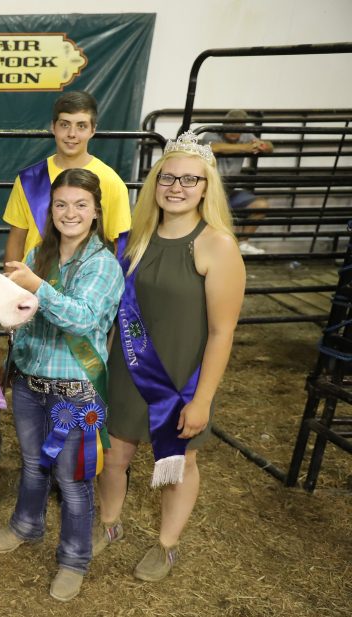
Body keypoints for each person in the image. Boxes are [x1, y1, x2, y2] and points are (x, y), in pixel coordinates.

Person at [92, 132, 245, 582]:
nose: (176, 187)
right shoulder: (134, 240)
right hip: (127, 369)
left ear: (206, 187)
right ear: (154, 183)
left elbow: (222, 331)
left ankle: (167, 544)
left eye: (189, 179)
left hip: (182, 376)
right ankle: (108, 523)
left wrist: (202, 400)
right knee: (114, 455)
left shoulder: (217, 245)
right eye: (167, 177)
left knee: (179, 463)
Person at [0, 168, 124, 602]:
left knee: (73, 479)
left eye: (81, 205)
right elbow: (25, 314)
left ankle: (75, 558)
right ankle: (26, 524)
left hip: (75, 391)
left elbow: (82, 318)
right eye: (61, 204)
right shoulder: (39, 253)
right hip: (31, 383)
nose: (70, 213)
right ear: (51, 210)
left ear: (96, 212)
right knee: (32, 463)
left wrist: (38, 287)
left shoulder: (103, 264)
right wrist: (12, 351)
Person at [2, 91, 131, 264]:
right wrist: (12, 279)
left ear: (93, 130)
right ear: (53, 127)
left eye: (81, 126)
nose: (72, 134)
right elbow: (17, 240)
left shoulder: (111, 182)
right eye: (64, 125)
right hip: (32, 276)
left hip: (86, 280)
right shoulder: (29, 179)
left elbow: (120, 247)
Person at [201, 109, 274, 255]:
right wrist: (245, 147)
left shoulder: (246, 136)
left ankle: (242, 243)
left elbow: (270, 147)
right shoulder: (212, 134)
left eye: (239, 127)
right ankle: (213, 250)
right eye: (231, 126)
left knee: (261, 205)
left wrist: (262, 145)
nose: (234, 131)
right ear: (224, 125)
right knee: (219, 217)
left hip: (229, 191)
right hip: (209, 192)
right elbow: (215, 147)